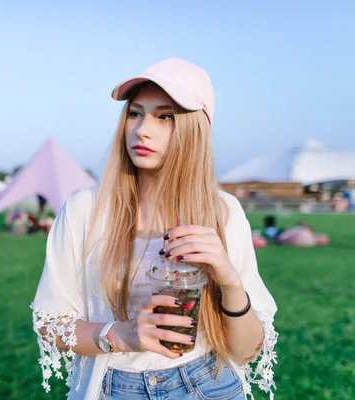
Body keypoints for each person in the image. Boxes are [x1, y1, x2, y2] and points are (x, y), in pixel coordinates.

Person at [31, 58, 278, 400]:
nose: (142, 129)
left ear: (195, 129)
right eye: (135, 113)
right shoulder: (84, 210)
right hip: (116, 387)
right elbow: (50, 322)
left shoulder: (222, 212)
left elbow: (245, 350)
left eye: (165, 116)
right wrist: (118, 335)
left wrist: (229, 279)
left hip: (209, 383)